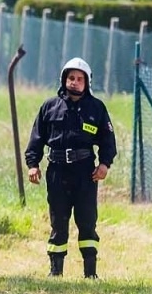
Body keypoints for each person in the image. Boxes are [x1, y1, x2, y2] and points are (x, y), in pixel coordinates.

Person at [25, 57, 117, 279]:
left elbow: (108, 141)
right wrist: (32, 164)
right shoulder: (49, 107)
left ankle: (90, 273)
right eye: (71, 78)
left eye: (79, 79)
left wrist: (104, 164)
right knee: (58, 221)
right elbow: (37, 138)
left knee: (87, 221)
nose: (74, 82)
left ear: (87, 82)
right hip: (57, 171)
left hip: (86, 173)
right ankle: (56, 271)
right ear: (64, 79)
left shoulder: (96, 108)